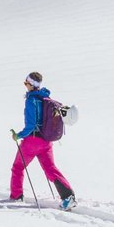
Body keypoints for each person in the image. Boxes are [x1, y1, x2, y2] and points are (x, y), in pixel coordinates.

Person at [9, 71, 76, 209]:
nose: (25, 85)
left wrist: (18, 135)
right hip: (46, 141)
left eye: (26, 83)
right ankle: (68, 196)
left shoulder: (31, 101)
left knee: (18, 167)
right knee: (50, 168)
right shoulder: (45, 98)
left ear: (31, 84)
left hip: (32, 141)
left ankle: (16, 196)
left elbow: (31, 125)